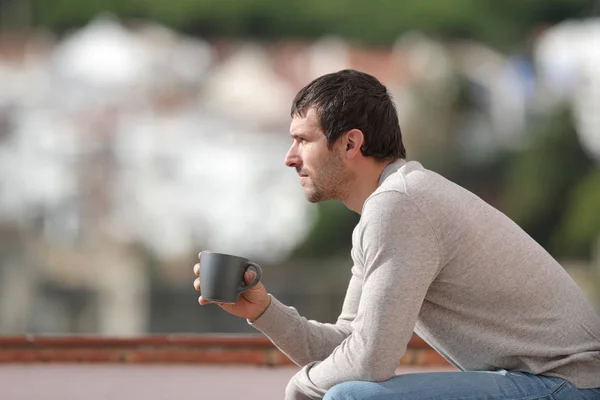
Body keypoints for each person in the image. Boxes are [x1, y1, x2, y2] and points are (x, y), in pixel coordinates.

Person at [192, 69, 600, 400]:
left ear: (351, 143)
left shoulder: (400, 205)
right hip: (550, 384)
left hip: (566, 386)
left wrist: (299, 388)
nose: (289, 157)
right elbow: (348, 346)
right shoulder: (389, 205)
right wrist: (263, 311)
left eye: (302, 139)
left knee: (351, 398)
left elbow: (368, 363)